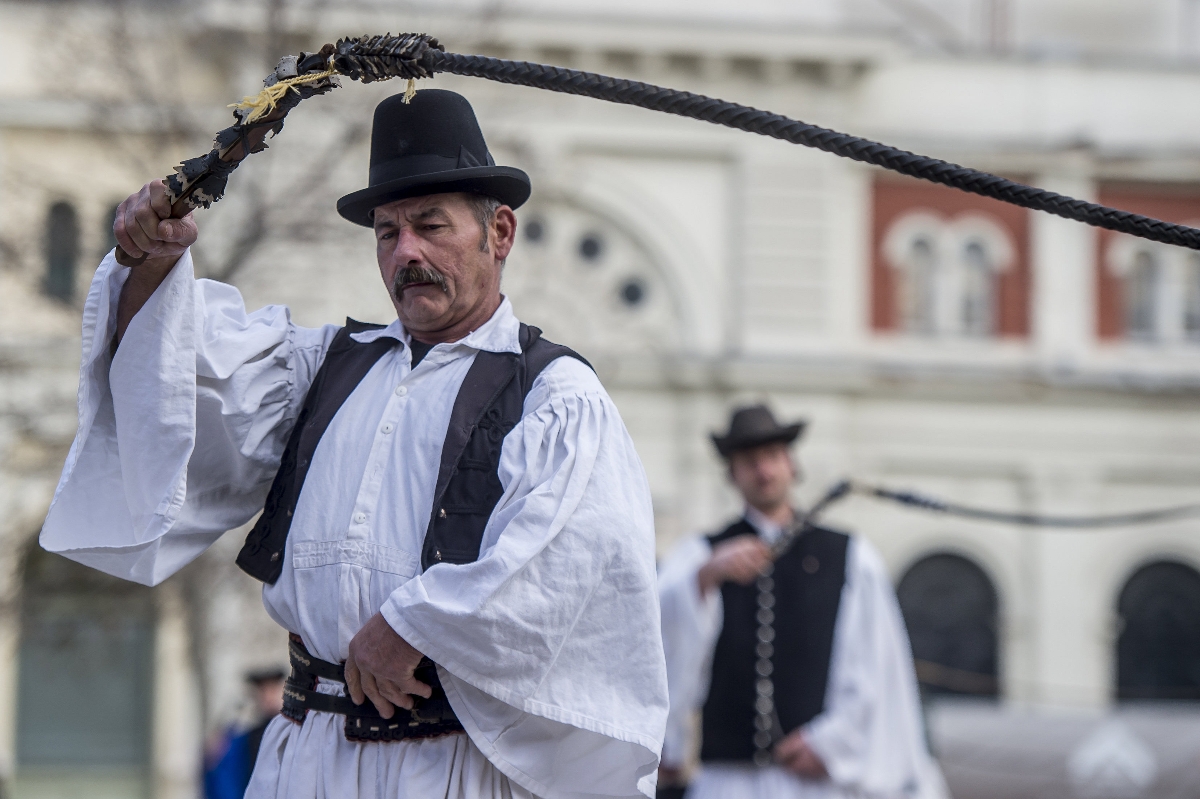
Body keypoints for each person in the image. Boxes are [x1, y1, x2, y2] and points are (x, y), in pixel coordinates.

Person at [41, 89, 668, 799]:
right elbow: (183, 380)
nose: (407, 252)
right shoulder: (325, 370)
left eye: (432, 226)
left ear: (500, 233)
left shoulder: (555, 396)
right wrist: (149, 261)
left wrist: (413, 623)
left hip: (453, 767)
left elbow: (570, 568)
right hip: (308, 758)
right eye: (387, 232)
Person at [657, 405, 945, 799]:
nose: (764, 471)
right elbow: (664, 644)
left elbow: (874, 664)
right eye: (750, 462)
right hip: (726, 780)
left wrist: (831, 743)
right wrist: (706, 577)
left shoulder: (849, 557)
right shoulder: (699, 555)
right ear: (732, 474)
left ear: (791, 464)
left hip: (812, 779)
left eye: (773, 457)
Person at [204, 668, 287, 799]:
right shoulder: (245, 736)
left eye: (272, 689)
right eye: (263, 691)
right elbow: (226, 778)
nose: (267, 696)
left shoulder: (293, 730)